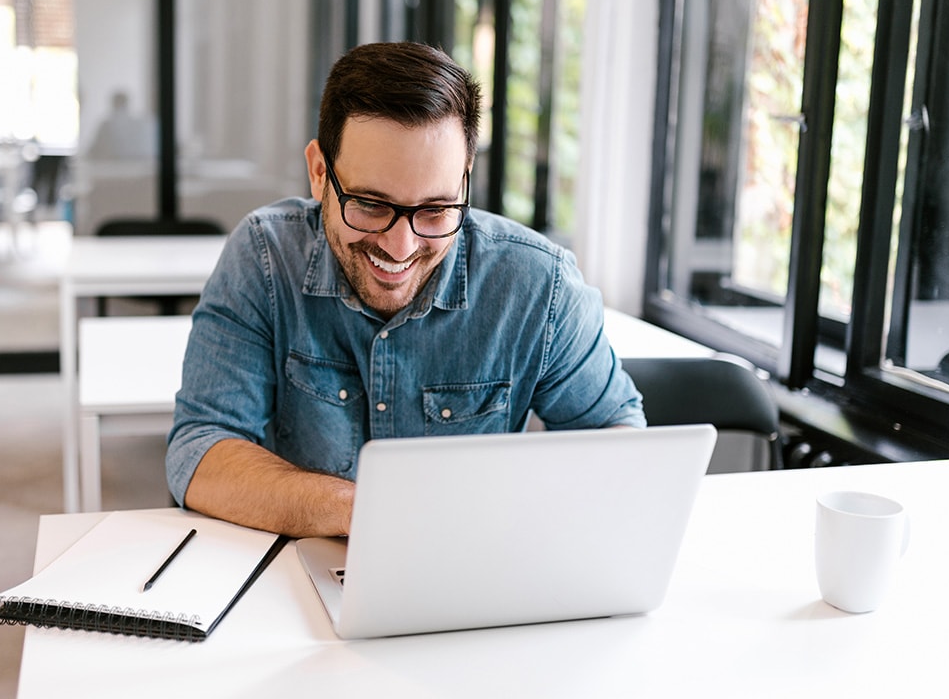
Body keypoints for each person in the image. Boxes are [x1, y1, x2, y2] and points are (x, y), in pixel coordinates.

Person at [166, 41, 644, 537]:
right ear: (318, 172)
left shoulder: (539, 284)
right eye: (371, 205)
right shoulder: (265, 257)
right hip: (301, 583)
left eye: (435, 210)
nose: (401, 246)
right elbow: (200, 449)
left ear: (464, 181)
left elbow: (618, 439)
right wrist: (371, 513)